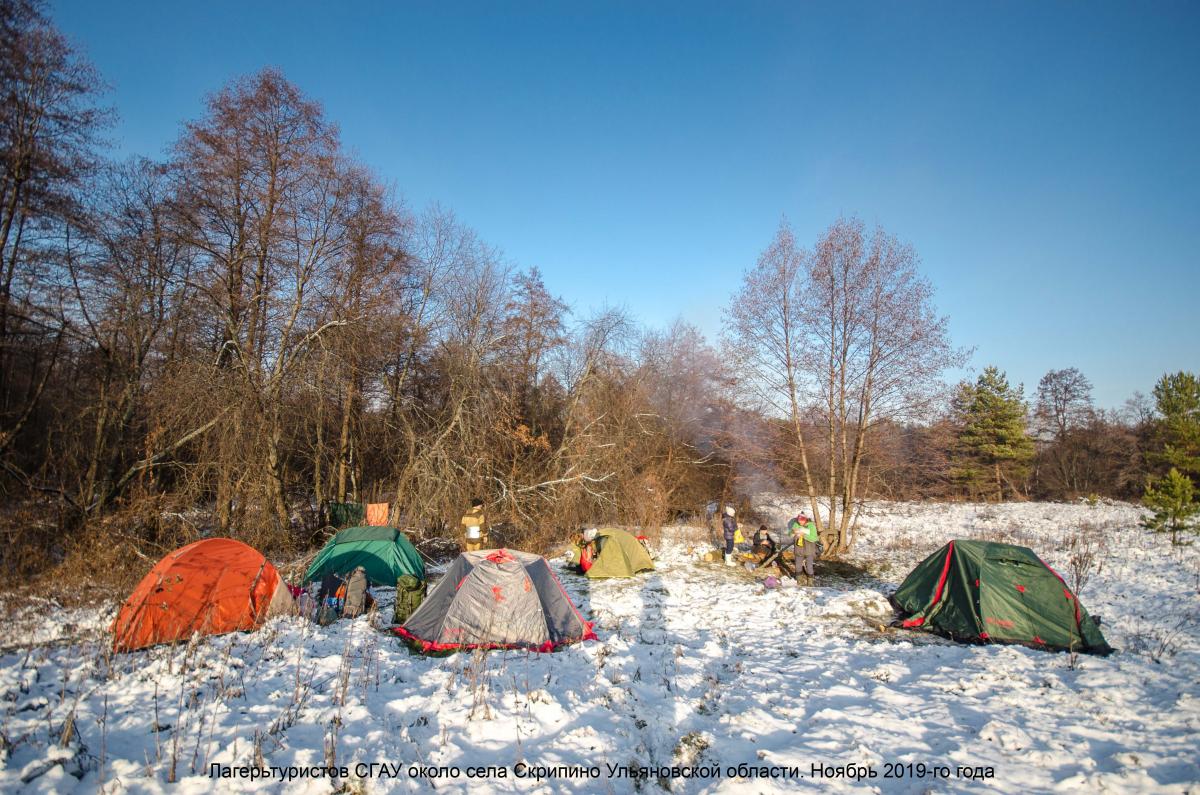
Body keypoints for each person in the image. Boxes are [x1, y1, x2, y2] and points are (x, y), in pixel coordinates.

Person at [787, 512, 819, 584]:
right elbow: (789, 534)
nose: (800, 522)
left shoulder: (811, 526)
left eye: (802, 521)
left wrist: (804, 535)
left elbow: (814, 538)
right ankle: (799, 581)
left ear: (806, 520)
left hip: (809, 549)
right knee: (798, 565)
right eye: (799, 521)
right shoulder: (795, 524)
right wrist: (792, 532)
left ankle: (810, 583)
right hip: (799, 548)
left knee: (809, 566)